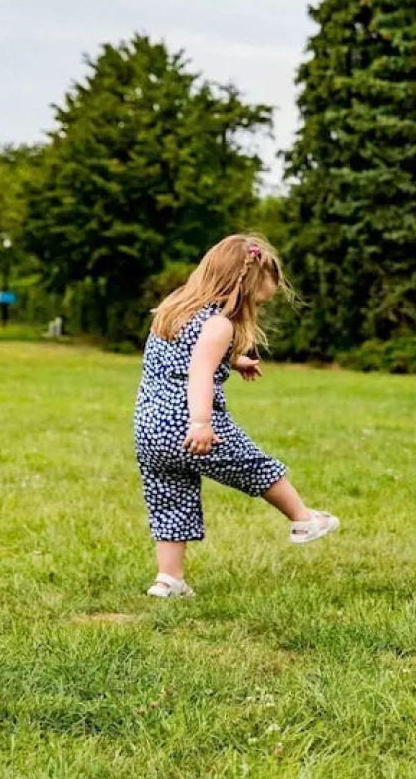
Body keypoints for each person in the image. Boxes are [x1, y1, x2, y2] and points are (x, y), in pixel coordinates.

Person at [133, 235, 338, 598]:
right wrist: (200, 422)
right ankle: (303, 520)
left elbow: (189, 352)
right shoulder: (220, 324)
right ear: (248, 280)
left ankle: (169, 579)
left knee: (170, 499)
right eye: (271, 278)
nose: (275, 287)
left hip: (149, 426)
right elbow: (198, 371)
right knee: (255, 465)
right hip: (189, 424)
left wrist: (235, 359)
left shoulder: (174, 308)